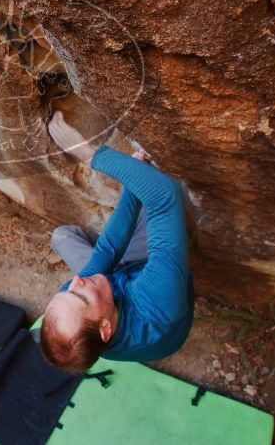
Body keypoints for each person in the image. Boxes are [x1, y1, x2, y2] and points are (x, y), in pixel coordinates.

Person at [40, 111, 194, 373]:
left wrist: (132, 184)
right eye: (79, 295)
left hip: (118, 288)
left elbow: (109, 248)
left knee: (62, 237)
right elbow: (164, 197)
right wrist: (90, 154)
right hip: (151, 288)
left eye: (66, 292)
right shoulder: (157, 303)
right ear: (105, 329)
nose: (75, 281)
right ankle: (166, 253)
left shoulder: (87, 331)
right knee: (165, 188)